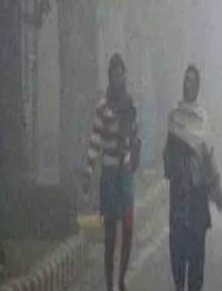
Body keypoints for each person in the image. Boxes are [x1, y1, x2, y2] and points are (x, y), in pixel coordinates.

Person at [163, 65, 222, 291]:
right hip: (179, 192)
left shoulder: (203, 118)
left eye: (192, 80)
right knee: (177, 248)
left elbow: (209, 155)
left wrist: (216, 189)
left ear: (197, 86)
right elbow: (168, 154)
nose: (188, 84)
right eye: (186, 80)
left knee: (197, 250)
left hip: (198, 193)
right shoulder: (174, 116)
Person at [82, 53, 141, 291]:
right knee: (109, 234)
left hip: (125, 174)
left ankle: (121, 279)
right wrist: (88, 171)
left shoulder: (130, 105)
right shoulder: (102, 108)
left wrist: (135, 154)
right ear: (109, 77)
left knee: (128, 227)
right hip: (108, 174)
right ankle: (109, 284)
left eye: (121, 74)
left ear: (124, 76)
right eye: (114, 74)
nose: (118, 78)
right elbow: (94, 141)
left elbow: (135, 135)